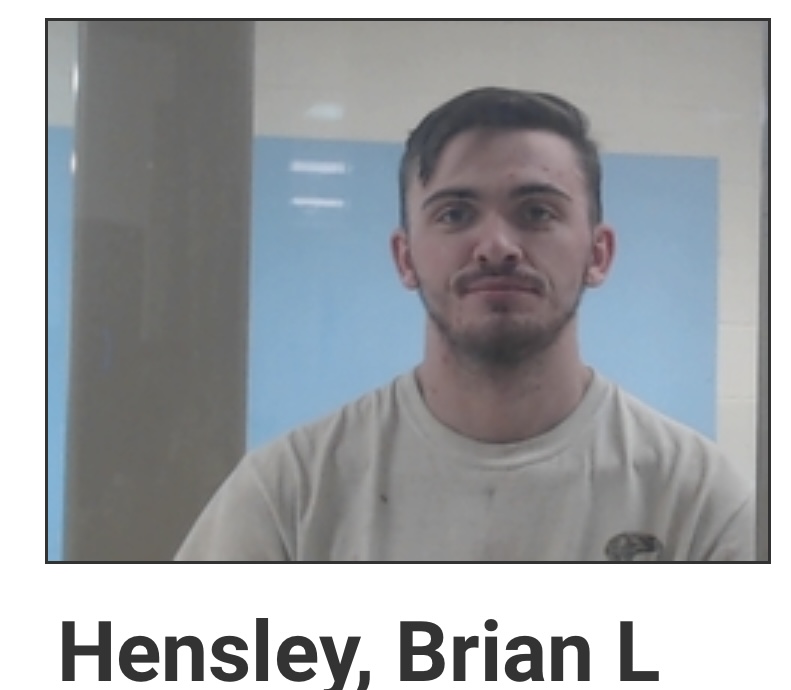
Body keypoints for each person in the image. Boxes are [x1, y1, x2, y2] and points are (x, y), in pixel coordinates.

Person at [176, 87, 755, 562]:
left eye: (537, 212)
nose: (497, 245)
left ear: (598, 254)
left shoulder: (700, 500)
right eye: (455, 214)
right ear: (405, 258)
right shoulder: (290, 492)